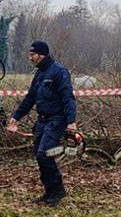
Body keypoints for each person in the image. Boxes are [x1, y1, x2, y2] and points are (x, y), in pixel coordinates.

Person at [6, 40, 77, 206]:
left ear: (41, 55)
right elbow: (30, 98)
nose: (30, 57)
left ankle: (58, 190)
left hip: (57, 120)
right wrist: (16, 117)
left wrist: (71, 121)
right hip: (42, 121)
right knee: (40, 157)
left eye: (32, 54)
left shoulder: (59, 72)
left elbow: (68, 97)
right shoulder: (39, 74)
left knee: (44, 154)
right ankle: (49, 192)